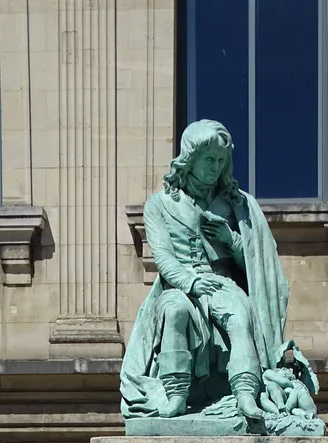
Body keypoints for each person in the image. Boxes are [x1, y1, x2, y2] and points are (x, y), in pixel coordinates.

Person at [120, 119, 296, 422]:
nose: (215, 167)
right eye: (208, 160)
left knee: (241, 318)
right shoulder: (159, 205)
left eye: (220, 161)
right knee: (174, 312)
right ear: (190, 160)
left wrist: (231, 240)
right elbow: (163, 258)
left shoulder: (235, 204)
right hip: (180, 286)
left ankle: (245, 393)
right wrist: (191, 283)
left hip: (223, 282)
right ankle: (176, 395)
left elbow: (257, 265)